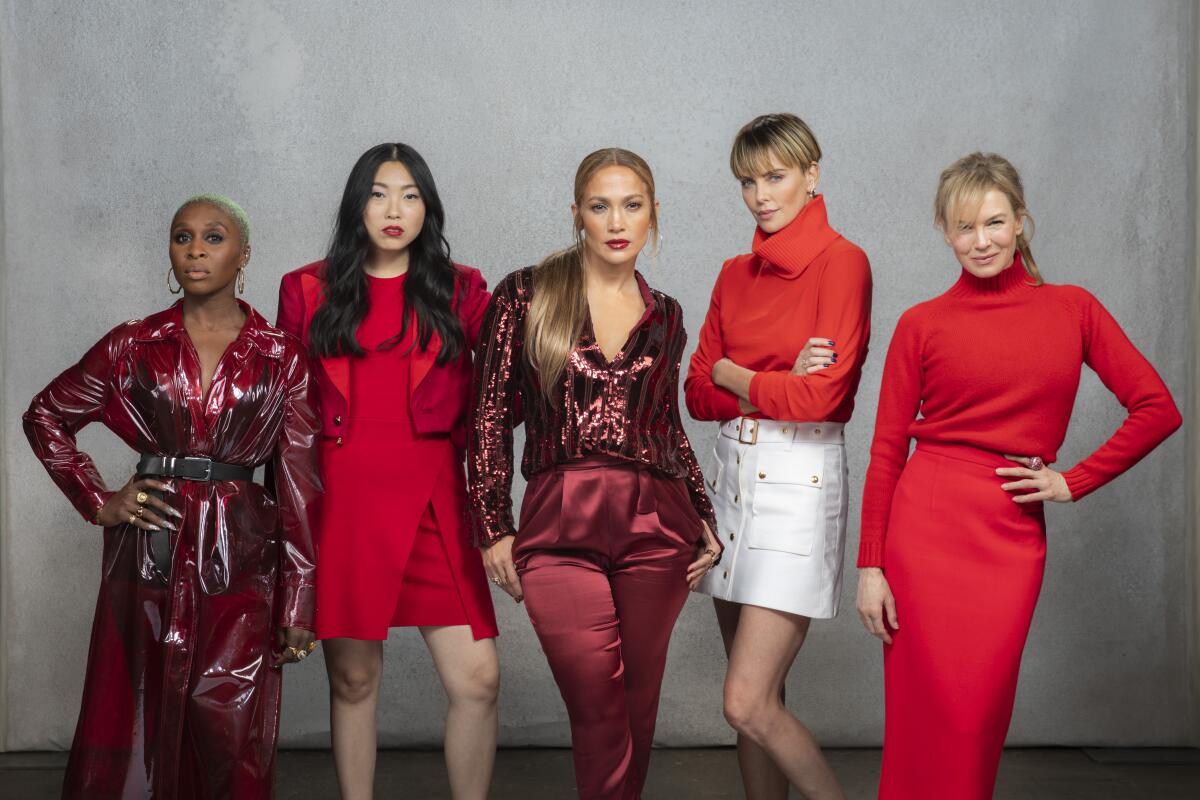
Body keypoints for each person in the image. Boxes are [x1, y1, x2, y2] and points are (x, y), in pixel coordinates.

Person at [855, 152, 1182, 799]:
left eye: (995, 222)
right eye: (964, 227)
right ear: (945, 232)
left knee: (976, 719)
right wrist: (870, 567)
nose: (981, 241)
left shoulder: (1073, 309)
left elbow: (1157, 408)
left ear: (1022, 221)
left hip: (1008, 538)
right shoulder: (922, 324)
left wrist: (1071, 481)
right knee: (922, 718)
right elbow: (887, 450)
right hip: (923, 534)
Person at [24, 195, 320, 799]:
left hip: (242, 552)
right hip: (150, 546)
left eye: (214, 237)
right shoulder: (134, 345)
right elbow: (46, 414)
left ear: (244, 254)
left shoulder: (281, 357)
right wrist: (98, 498)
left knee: (229, 716)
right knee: (138, 705)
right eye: (182, 237)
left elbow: (298, 482)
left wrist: (299, 603)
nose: (196, 251)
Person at [469, 147, 722, 799]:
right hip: (558, 523)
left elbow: (665, 425)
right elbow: (490, 414)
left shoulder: (665, 314)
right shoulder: (526, 292)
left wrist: (706, 516)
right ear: (576, 213)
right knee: (598, 708)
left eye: (632, 206)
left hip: (658, 523)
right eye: (600, 205)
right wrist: (494, 524)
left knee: (637, 708)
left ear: (653, 214)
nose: (617, 221)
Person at [276, 143, 499, 800]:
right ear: (357, 205)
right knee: (353, 681)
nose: (394, 209)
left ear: (427, 207)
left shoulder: (464, 290)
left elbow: (505, 385)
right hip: (342, 503)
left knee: (478, 678)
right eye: (378, 193)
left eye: (409, 194)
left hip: (435, 500)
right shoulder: (307, 289)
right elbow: (285, 417)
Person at [685, 112, 870, 800]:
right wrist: (775, 382)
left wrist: (738, 374)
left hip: (798, 478)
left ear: (812, 175)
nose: (761, 194)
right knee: (761, 698)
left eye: (776, 176)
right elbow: (695, 390)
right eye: (747, 181)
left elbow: (822, 398)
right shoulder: (734, 272)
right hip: (731, 476)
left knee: (746, 699)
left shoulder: (843, 262)